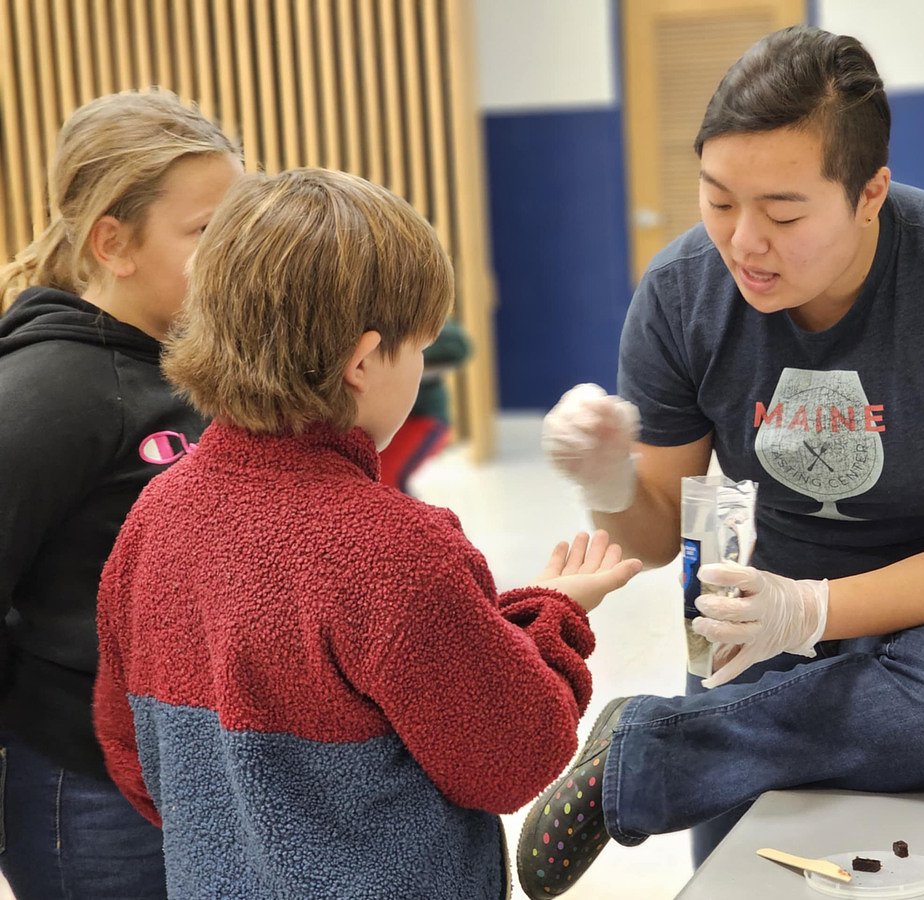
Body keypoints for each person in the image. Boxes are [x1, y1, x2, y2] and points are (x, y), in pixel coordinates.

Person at [517, 24, 924, 899]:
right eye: (717, 200)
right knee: (735, 867)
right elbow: (657, 533)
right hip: (756, 612)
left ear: (869, 193)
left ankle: (653, 747)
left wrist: (811, 611)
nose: (743, 242)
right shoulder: (680, 292)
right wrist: (609, 481)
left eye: (781, 213)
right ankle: (696, 742)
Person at [91, 168, 643, 899]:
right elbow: (511, 756)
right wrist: (554, 618)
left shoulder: (154, 518)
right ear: (361, 360)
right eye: (416, 346)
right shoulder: (393, 551)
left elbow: (132, 756)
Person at [0, 90, 241, 899]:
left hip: (183, 775)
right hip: (89, 792)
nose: (236, 255)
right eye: (208, 233)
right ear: (114, 242)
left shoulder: (186, 364)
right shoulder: (47, 391)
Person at [378, 317, 472, 495]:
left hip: (421, 421)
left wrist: (396, 354)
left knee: (386, 482)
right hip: (383, 422)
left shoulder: (417, 317)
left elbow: (458, 346)